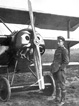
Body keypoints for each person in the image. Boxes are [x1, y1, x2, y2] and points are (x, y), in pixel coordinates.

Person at [51, 36, 69, 105]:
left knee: (62, 85)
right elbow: (55, 60)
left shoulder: (64, 50)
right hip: (55, 69)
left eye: (60, 41)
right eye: (57, 41)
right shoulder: (57, 50)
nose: (58, 43)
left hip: (61, 71)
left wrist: (60, 68)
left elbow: (66, 61)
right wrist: (53, 67)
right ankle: (57, 98)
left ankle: (62, 100)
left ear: (63, 42)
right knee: (57, 85)